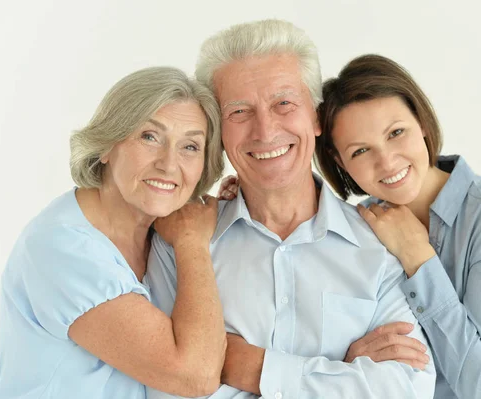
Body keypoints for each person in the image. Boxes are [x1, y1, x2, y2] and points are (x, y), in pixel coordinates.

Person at [147, 20, 436, 399]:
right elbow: (168, 389)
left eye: (283, 103)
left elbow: (406, 389)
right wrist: (342, 374)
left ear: (316, 116)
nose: (265, 131)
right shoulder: (180, 241)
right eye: (239, 112)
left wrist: (251, 367)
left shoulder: (380, 245)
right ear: (218, 131)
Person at [314, 54, 481, 398]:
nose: (387, 161)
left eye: (396, 133)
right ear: (340, 162)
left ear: (421, 123)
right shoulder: (357, 230)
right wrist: (352, 364)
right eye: (361, 150)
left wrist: (418, 259)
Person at [0, 67, 227, 399]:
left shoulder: (158, 233)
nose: (169, 164)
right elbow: (194, 376)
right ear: (105, 146)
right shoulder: (62, 247)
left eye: (190, 147)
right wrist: (191, 242)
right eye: (150, 137)